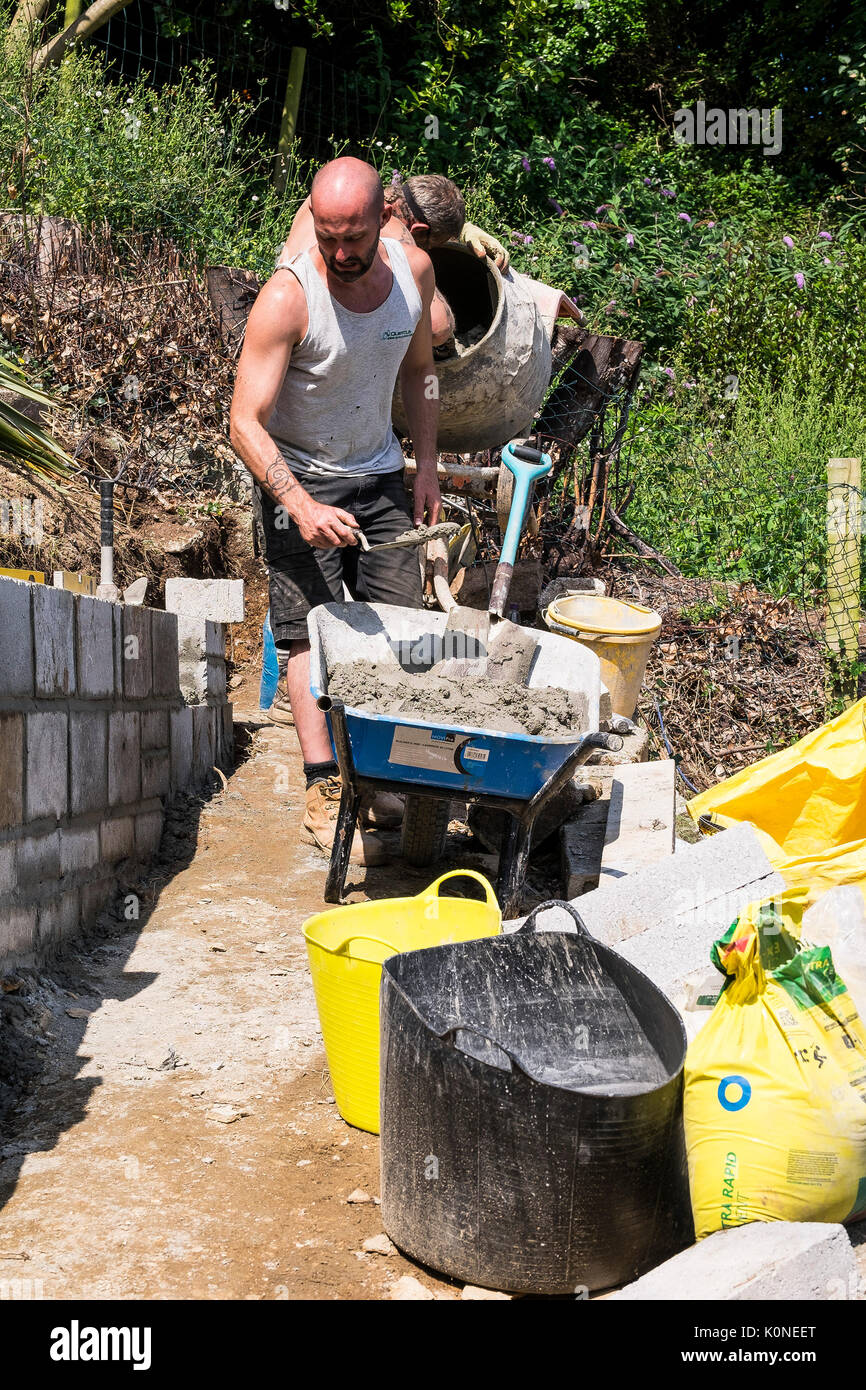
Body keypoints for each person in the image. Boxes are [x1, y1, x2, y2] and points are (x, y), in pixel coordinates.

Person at [230, 156, 440, 866]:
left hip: (380, 475)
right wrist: (297, 502)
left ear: (383, 219)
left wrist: (428, 465)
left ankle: (381, 781)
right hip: (300, 475)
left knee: (400, 633)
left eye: (353, 237)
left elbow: (421, 374)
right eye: (328, 237)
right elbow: (243, 421)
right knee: (304, 637)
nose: (342, 253)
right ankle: (324, 788)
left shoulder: (412, 275)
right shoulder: (288, 298)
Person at [281, 172, 510, 348]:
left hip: (277, 311)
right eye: (430, 247)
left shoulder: (342, 192)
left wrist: (463, 232)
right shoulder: (394, 234)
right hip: (312, 340)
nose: (427, 253)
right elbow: (438, 329)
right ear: (418, 230)